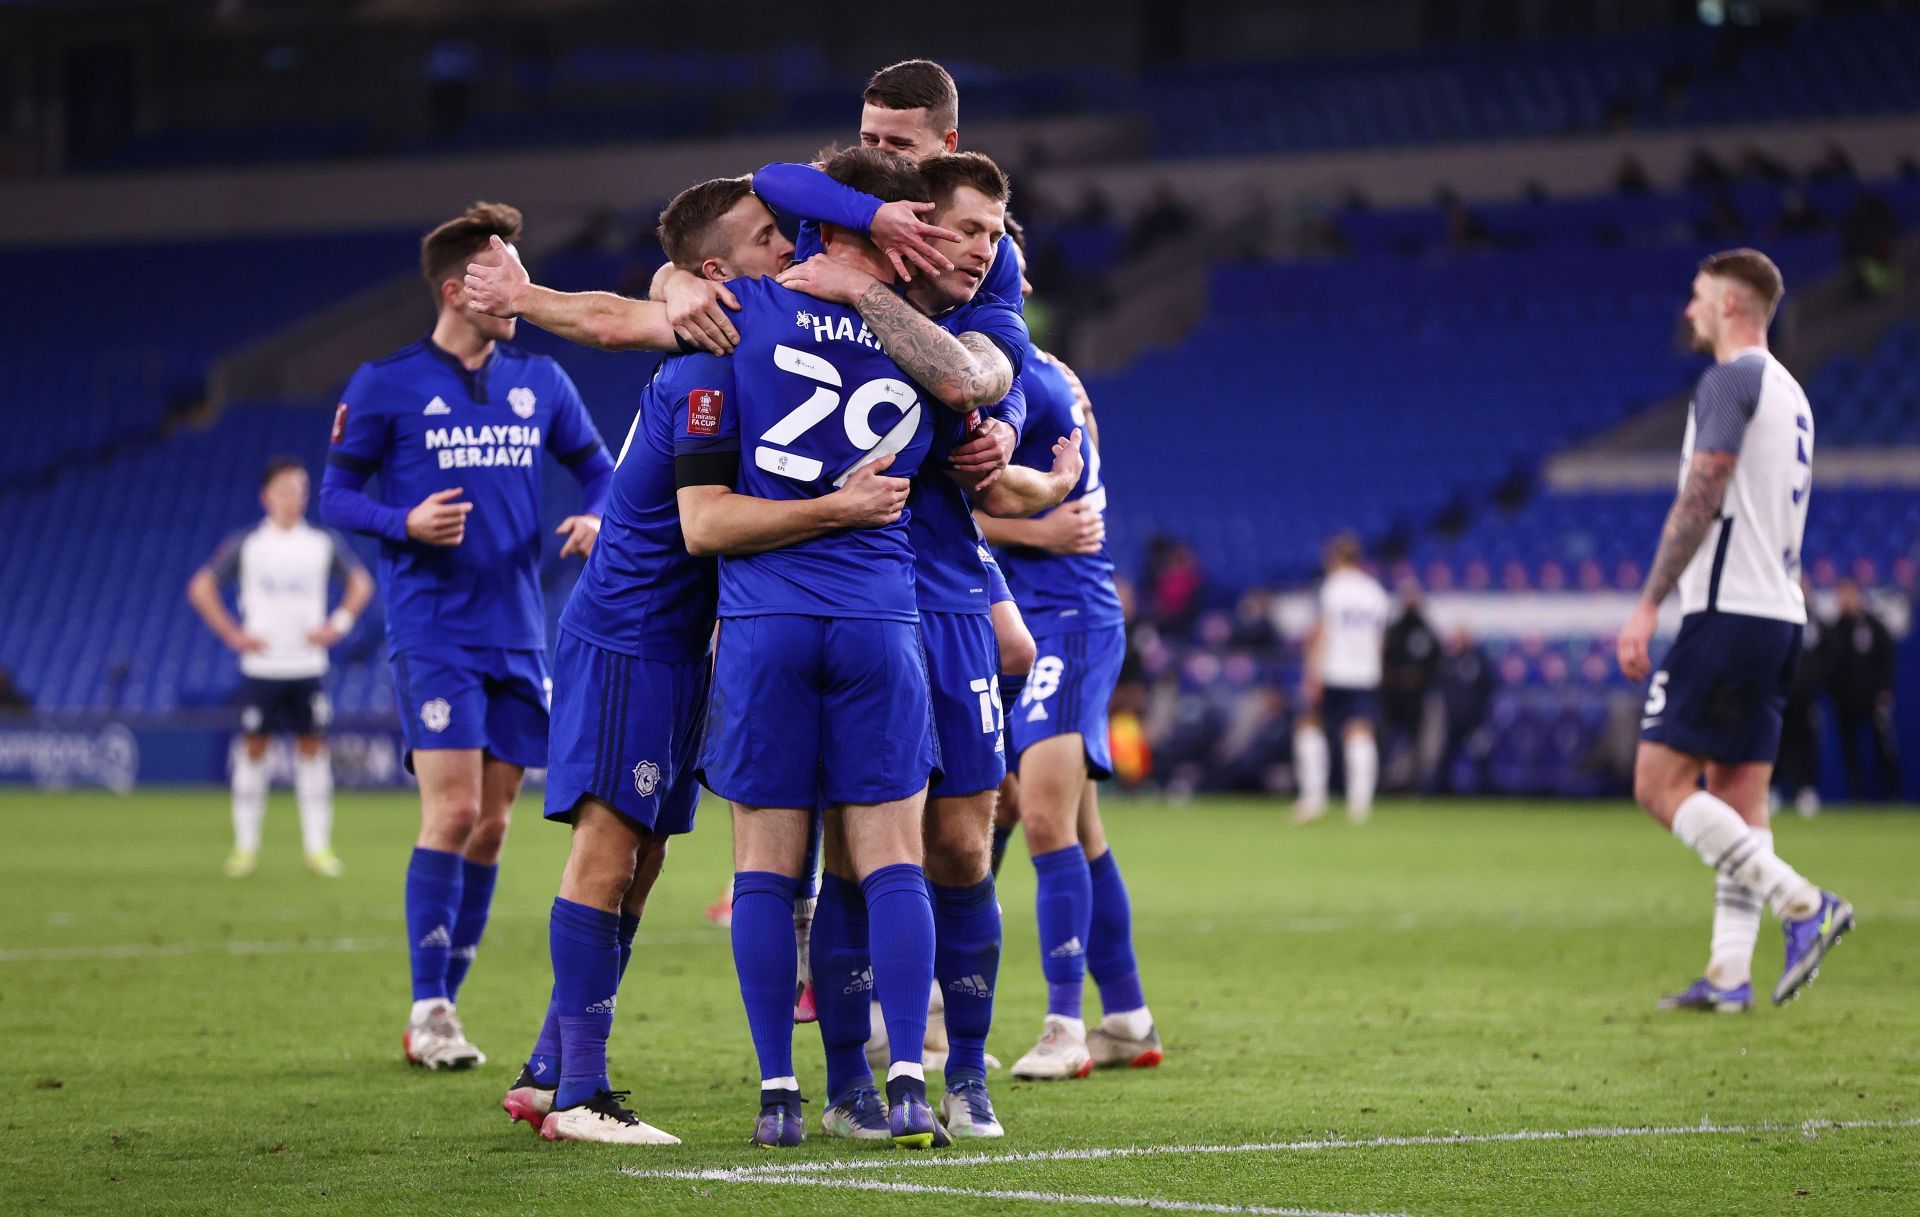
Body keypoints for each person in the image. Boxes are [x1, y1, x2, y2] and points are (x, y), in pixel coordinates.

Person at [489, 177, 906, 1145]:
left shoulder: (747, 348)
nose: (789, 246)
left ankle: (552, 1064)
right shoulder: (709, 353)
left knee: (643, 860)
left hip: (674, 642)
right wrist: (839, 508)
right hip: (634, 630)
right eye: (769, 238)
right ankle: (580, 1095)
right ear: (718, 272)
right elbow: (706, 521)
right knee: (609, 849)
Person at [671, 147, 974, 1149]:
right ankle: (908, 1085)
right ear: (889, 229)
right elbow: (973, 388)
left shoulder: (743, 311)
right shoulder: (918, 340)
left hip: (764, 621)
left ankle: (777, 1096)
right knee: (890, 858)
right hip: (880, 617)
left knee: (765, 864)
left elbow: (719, 238)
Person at [776, 152, 1081, 1140]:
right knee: (856, 854)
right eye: (972, 230)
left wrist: (1005, 428)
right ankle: (846, 1079)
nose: (986, 250)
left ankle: (965, 1068)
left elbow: (994, 375)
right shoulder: (829, 241)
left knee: (959, 843)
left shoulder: (979, 291)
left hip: (946, 590)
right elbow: (769, 180)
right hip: (838, 590)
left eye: (998, 234)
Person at [319, 202, 616, 1071]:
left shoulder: (542, 382)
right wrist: (402, 518)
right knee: (450, 811)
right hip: (434, 626)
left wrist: (596, 519)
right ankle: (430, 1005)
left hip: (519, 631)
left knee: (491, 826)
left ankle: (446, 994)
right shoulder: (385, 383)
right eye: (502, 276)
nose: (517, 292)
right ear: (458, 288)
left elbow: (601, 474)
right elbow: (339, 495)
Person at [1616, 248, 1852, 1013]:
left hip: (1730, 610)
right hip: (1782, 615)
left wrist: (1651, 599)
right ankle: (1727, 975)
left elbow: (1703, 491)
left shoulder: (1731, 379)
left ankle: (1803, 903)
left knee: (1659, 783)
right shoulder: (1794, 394)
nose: (1688, 309)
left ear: (1727, 304)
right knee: (1741, 799)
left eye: (1696, 295)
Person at [979, 233, 1160, 1083]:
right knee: (1075, 827)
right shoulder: (1023, 370)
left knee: (1039, 815)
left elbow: (1053, 520)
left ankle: (1064, 1024)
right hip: (1019, 617)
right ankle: (1126, 1014)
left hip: (1067, 620)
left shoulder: (1027, 380)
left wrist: (1025, 527)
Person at [187, 457, 373, 879]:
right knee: (254, 751)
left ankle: (318, 848)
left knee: (313, 751)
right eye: (286, 490)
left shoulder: (321, 544)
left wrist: (337, 625)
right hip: (262, 668)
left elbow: (361, 584)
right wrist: (233, 635)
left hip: (307, 666)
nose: (295, 498)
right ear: (266, 496)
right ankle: (245, 848)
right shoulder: (247, 545)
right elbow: (201, 587)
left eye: (301, 490)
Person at [1294, 534, 1390, 825]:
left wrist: (1311, 674)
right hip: (1365, 672)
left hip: (1333, 670)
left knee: (1309, 724)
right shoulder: (1376, 592)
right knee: (1360, 732)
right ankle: (1359, 806)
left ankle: (1314, 797)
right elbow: (1381, 640)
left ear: (1334, 558)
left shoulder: (1332, 589)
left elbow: (1321, 634)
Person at [1827, 579, 1900, 801]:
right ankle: (1856, 796)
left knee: (1882, 748)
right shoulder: (1836, 629)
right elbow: (1829, 666)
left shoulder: (1873, 626)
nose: (1846, 601)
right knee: (1850, 750)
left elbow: (1885, 658)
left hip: (1872, 699)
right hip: (1846, 701)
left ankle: (1891, 793)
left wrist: (1884, 690)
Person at [1381, 579, 1442, 791]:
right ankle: (1382, 782)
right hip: (1392, 696)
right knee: (1384, 738)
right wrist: (1395, 676)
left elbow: (1435, 662)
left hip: (1416, 697)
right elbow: (1383, 658)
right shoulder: (1394, 630)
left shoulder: (1426, 631)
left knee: (1418, 742)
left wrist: (1417, 677)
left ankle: (1415, 785)